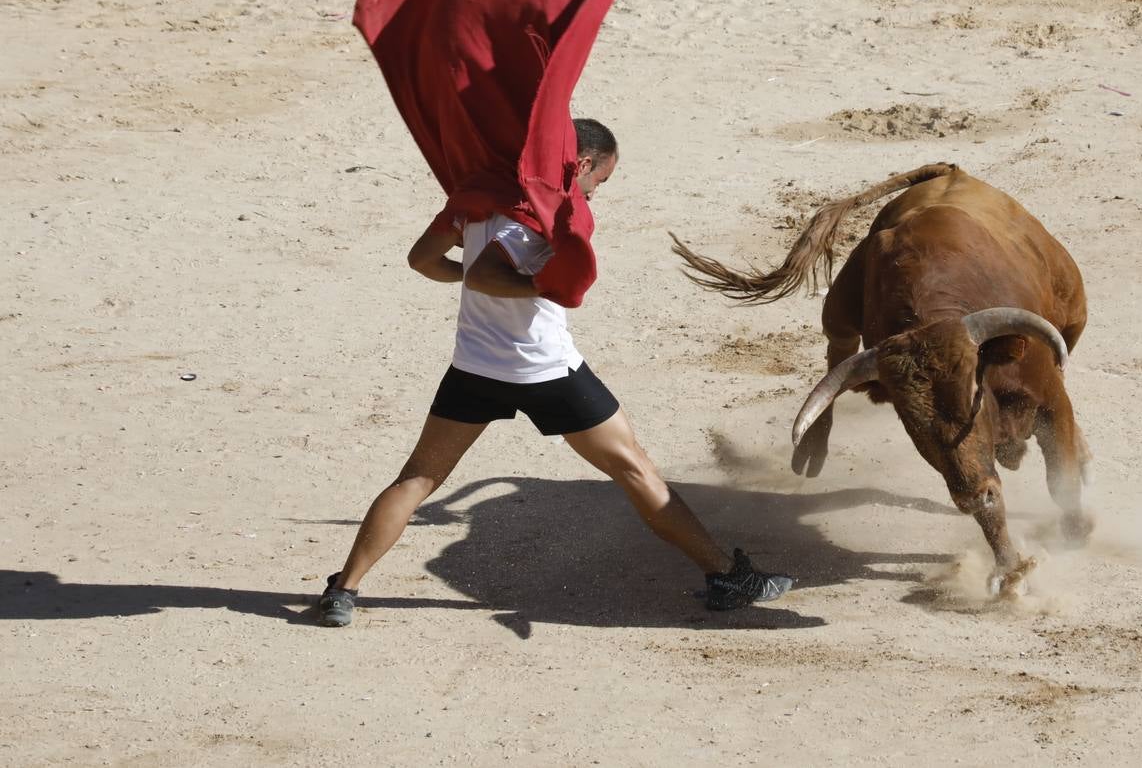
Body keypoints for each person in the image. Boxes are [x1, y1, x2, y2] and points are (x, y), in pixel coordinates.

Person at [317, 119, 792, 626]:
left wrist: (477, 277)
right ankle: (727, 577)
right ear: (582, 163)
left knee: (416, 479)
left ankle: (343, 590)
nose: (595, 193)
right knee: (636, 470)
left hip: (474, 369)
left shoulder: (478, 199)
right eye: (599, 181)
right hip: (547, 372)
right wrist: (544, 290)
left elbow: (422, 261)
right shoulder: (548, 213)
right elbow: (484, 274)